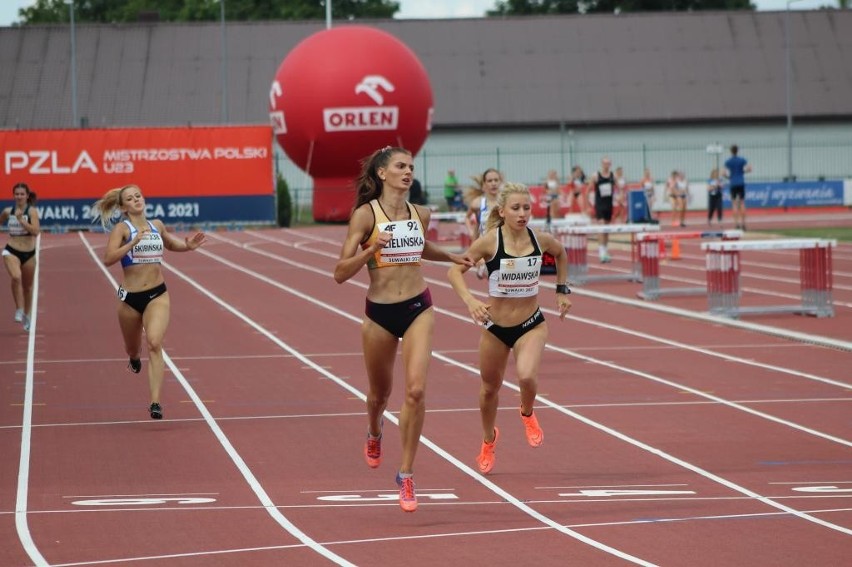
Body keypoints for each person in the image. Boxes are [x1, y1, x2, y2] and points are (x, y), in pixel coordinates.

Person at [333, 146, 472, 513]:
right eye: (400, 166)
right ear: (382, 173)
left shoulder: (420, 212)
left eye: (411, 166)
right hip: (379, 313)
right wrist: (369, 250)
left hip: (417, 307)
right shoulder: (365, 216)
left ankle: (407, 474)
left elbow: (419, 246)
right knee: (379, 395)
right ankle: (375, 430)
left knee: (415, 391)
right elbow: (339, 273)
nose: (408, 171)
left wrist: (451, 256)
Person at [447, 182, 572, 475]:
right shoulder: (490, 242)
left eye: (526, 207)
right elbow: (454, 271)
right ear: (502, 211)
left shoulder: (540, 240)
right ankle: (489, 439)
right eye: (515, 208)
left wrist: (562, 290)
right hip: (495, 327)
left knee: (527, 376)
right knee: (489, 389)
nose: (522, 213)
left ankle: (527, 413)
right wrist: (470, 301)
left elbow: (562, 253)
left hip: (531, 323)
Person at [92, 184, 207, 420]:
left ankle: (155, 402)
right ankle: (134, 358)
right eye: (130, 199)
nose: (136, 200)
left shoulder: (157, 225)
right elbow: (108, 259)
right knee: (133, 348)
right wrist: (132, 243)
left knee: (154, 342)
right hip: (130, 299)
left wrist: (188, 246)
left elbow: (171, 243)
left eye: (138, 196)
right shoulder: (122, 229)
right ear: (123, 207)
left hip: (158, 294)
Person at [1, 182, 40, 332]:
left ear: (27, 196)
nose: (19, 196)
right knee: (16, 277)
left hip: (29, 253)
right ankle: (19, 308)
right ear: (13, 195)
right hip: (11, 250)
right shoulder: (7, 211)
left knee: (28, 287)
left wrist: (22, 221)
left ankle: (26, 314)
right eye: (16, 194)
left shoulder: (32, 212)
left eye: (22, 194)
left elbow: (36, 232)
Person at [464, 168, 503, 278]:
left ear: (500, 182)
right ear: (484, 185)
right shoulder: (478, 203)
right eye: (490, 181)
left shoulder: (506, 203)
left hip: (503, 247)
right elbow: (468, 218)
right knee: (493, 279)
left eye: (496, 180)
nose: (493, 183)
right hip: (485, 248)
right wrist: (471, 232)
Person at [588, 156, 617, 263]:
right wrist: (588, 206)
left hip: (608, 205)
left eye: (608, 163)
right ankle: (601, 253)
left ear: (610, 165)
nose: (606, 165)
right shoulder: (596, 176)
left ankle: (605, 251)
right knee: (601, 227)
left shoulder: (612, 176)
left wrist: (621, 197)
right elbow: (588, 190)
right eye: (605, 163)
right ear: (602, 164)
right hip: (599, 205)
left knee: (607, 230)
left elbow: (618, 188)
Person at [724, 145, 752, 231]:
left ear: (731, 151)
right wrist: (742, 172)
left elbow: (723, 173)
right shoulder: (742, 160)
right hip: (741, 182)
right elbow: (750, 168)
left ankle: (736, 224)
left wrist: (729, 177)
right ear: (738, 151)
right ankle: (743, 224)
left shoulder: (728, 161)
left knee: (734, 204)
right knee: (742, 203)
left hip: (733, 183)